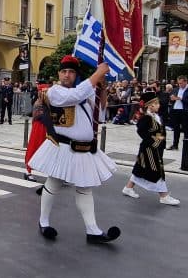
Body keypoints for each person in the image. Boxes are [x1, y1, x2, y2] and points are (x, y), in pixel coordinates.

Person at [28, 55, 121, 244]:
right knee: (53, 183)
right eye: (64, 71)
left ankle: (92, 230)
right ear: (59, 74)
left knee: (85, 189)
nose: (67, 75)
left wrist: (102, 92)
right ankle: (43, 221)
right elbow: (74, 96)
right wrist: (98, 74)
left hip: (84, 149)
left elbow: (100, 117)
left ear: (76, 75)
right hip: (62, 147)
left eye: (71, 72)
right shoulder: (54, 92)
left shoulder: (85, 92)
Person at [122, 91, 179, 204]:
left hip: (156, 148)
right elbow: (141, 131)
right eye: (156, 103)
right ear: (149, 105)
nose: (159, 105)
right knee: (156, 170)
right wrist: (155, 140)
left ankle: (128, 187)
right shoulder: (146, 118)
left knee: (140, 168)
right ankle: (164, 196)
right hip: (149, 149)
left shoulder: (156, 116)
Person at [167, 76, 188, 150]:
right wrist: (171, 98)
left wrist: (181, 99)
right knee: (176, 128)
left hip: (185, 111)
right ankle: (175, 145)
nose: (179, 85)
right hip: (175, 110)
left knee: (186, 129)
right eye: (178, 83)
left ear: (185, 81)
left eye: (181, 83)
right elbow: (171, 98)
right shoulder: (175, 89)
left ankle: (187, 146)